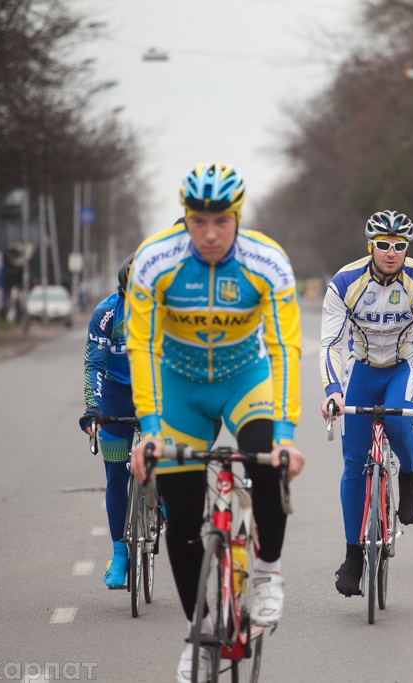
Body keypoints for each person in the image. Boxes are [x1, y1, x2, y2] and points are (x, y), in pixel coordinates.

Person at [125, 164, 305, 683]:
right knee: (180, 518)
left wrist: (287, 437)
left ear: (237, 218)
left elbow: (284, 348)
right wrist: (152, 430)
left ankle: (268, 572)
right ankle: (200, 634)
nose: (208, 234)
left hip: (243, 378)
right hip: (179, 388)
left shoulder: (266, 261)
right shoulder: (156, 259)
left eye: (220, 221)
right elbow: (143, 344)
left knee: (267, 460)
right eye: (198, 221)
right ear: (184, 217)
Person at [319, 210, 413, 596]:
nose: (391, 252)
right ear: (370, 246)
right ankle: (353, 553)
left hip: (402, 367)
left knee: (398, 423)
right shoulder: (344, 282)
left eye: (399, 245)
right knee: (354, 464)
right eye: (384, 245)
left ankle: (408, 473)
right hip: (363, 369)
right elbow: (331, 343)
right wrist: (332, 389)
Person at [79, 254, 136, 589]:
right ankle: (120, 553)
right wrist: (93, 409)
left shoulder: (168, 310)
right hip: (116, 393)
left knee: (172, 458)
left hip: (154, 390)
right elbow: (94, 365)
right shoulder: (107, 314)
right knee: (116, 472)